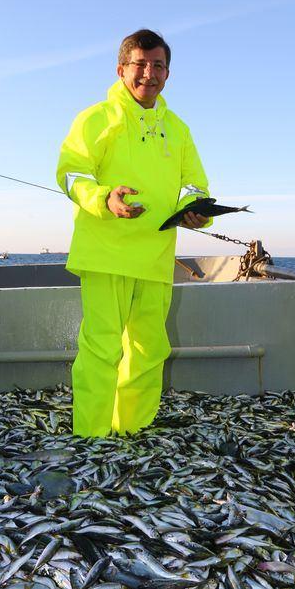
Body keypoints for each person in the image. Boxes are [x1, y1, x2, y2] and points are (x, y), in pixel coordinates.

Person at [56, 29, 211, 437]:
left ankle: (132, 434)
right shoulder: (95, 119)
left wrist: (195, 209)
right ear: (121, 68)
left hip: (156, 257)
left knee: (148, 351)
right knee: (102, 349)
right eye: (140, 64)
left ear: (167, 73)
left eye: (157, 65)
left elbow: (194, 183)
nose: (149, 73)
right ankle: (90, 438)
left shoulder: (178, 130)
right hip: (105, 253)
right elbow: (71, 174)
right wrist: (104, 198)